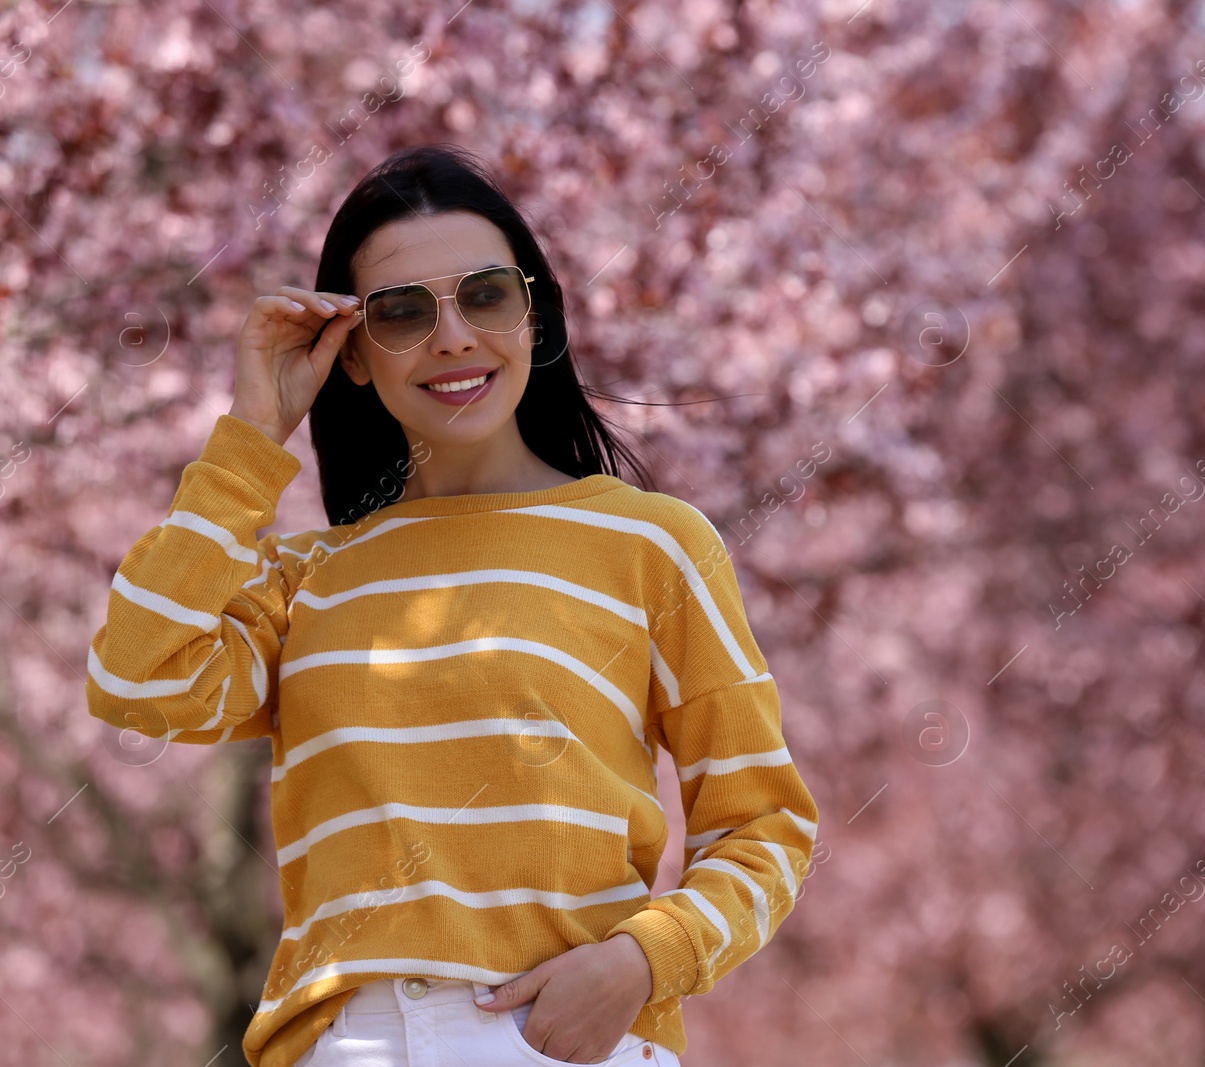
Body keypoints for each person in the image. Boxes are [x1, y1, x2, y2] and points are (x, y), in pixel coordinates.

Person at [84, 143, 819, 1067]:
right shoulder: (308, 577)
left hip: (561, 1038)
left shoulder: (653, 545)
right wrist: (250, 438)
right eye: (399, 313)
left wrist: (643, 960)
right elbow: (132, 678)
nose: (453, 337)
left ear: (533, 312)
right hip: (347, 1043)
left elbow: (764, 822)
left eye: (485, 295)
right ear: (350, 355)